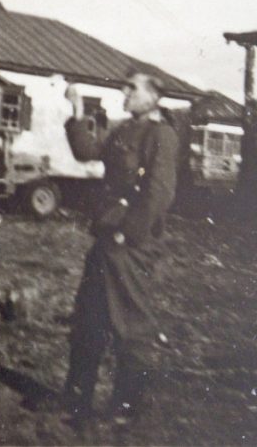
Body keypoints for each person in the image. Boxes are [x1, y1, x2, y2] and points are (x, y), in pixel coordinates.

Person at [60, 71, 179, 427]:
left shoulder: (162, 135)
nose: (124, 92)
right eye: (123, 86)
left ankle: (126, 407)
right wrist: (77, 110)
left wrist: (129, 233)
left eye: (132, 88)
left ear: (154, 96)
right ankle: (76, 396)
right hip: (106, 235)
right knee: (89, 318)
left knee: (131, 324)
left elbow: (160, 192)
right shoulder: (123, 129)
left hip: (131, 244)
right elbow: (86, 152)